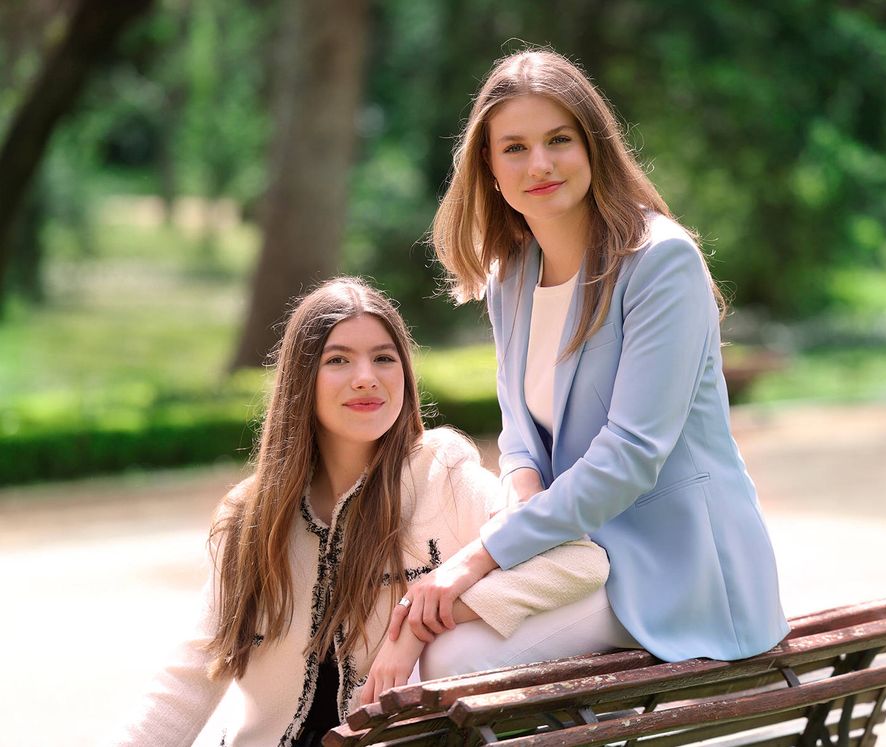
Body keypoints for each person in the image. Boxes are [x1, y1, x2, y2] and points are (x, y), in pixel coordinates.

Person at [391, 48, 790, 663]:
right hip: (572, 555)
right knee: (415, 625)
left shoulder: (660, 262)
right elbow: (521, 437)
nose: (540, 163)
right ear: (489, 168)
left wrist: (485, 556)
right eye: (515, 148)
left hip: (675, 567)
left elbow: (631, 454)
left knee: (452, 659)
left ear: (593, 146)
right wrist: (520, 522)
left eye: (559, 139)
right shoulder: (511, 275)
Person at [112, 277, 623, 747]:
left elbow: (576, 561)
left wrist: (422, 620)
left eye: (384, 358)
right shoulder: (252, 516)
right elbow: (192, 674)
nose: (365, 379)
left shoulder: (440, 474)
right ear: (301, 379)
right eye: (337, 361)